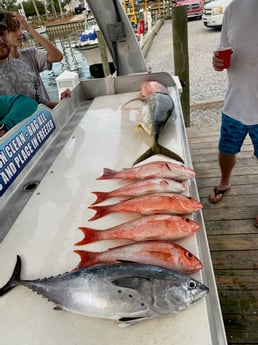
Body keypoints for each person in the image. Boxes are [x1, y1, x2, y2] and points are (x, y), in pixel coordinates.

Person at [208, 1, 258, 223]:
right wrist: (217, 62)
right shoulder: (232, 9)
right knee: (226, 149)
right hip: (235, 102)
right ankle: (224, 181)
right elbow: (223, 51)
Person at [0, 15, 70, 108]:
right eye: (13, 30)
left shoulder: (30, 55)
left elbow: (57, 57)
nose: (19, 33)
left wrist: (29, 29)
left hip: (43, 117)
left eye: (19, 28)